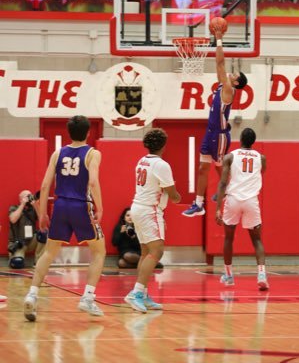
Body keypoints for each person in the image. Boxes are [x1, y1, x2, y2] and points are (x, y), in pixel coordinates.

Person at [23, 115, 106, 322]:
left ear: (69, 133)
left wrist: (42, 214)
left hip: (60, 205)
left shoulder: (58, 152)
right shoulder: (93, 154)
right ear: (88, 132)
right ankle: (87, 297)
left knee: (49, 253)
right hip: (81, 205)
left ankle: (32, 294)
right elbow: (94, 182)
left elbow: (44, 186)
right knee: (99, 252)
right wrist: (101, 207)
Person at [182, 22, 248, 217]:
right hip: (210, 133)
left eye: (235, 74)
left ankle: (228, 190)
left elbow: (219, 63)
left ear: (236, 82)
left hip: (219, 136)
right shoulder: (222, 86)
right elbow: (220, 67)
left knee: (219, 167)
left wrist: (218, 39)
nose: (231, 73)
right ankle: (199, 203)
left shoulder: (229, 88)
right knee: (203, 167)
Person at [124, 128, 181, 313]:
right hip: (150, 210)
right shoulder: (162, 165)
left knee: (145, 252)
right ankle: (136, 293)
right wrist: (178, 197)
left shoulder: (142, 161)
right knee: (157, 252)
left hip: (137, 207)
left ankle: (143, 293)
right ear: (163, 145)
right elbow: (172, 194)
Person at [215, 128, 269, 291]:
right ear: (254, 141)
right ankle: (261, 275)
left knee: (228, 239)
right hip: (251, 200)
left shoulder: (230, 156)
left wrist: (218, 208)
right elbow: (261, 172)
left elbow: (223, 183)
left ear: (240, 139)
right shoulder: (262, 158)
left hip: (233, 200)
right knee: (257, 240)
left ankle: (229, 275)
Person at [8, 190, 46, 269]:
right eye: (27, 196)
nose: (29, 198)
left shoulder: (33, 210)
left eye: (30, 196)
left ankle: (38, 261)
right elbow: (13, 219)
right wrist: (22, 204)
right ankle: (15, 257)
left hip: (31, 241)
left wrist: (36, 205)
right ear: (20, 199)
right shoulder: (14, 208)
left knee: (44, 234)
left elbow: (42, 220)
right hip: (19, 243)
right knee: (17, 263)